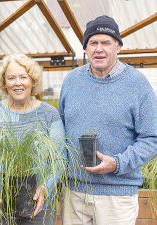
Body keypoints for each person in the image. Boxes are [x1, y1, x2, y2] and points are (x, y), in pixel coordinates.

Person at [58, 15, 157, 225]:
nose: (99, 48)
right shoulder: (71, 81)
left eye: (106, 42)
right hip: (73, 192)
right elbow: (60, 130)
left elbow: (152, 137)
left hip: (117, 197)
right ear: (85, 48)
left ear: (118, 47)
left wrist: (117, 163)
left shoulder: (137, 84)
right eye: (93, 43)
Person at [0, 53, 66, 225]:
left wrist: (45, 187)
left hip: (39, 203)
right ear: (4, 82)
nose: (17, 83)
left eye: (23, 77)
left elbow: (59, 159)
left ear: (33, 80)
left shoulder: (49, 114)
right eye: (11, 78)